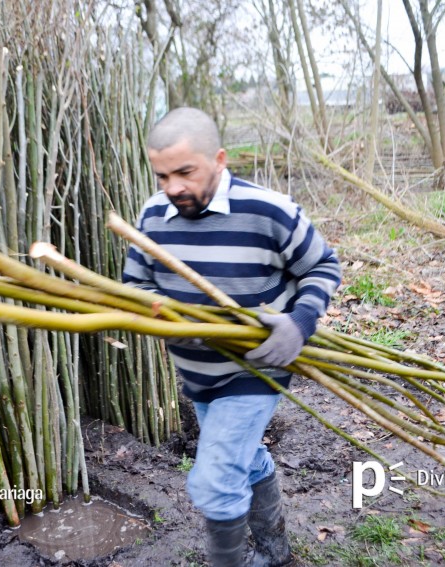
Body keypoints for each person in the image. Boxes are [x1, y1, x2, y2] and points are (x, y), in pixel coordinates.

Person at [123, 107, 341, 567]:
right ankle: (277, 553)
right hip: (198, 374)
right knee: (246, 458)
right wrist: (160, 313)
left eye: (185, 172)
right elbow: (134, 285)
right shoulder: (152, 215)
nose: (173, 187)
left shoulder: (269, 210)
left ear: (218, 159)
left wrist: (299, 324)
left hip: (256, 368)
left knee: (216, 480)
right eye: (162, 175)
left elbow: (323, 265)